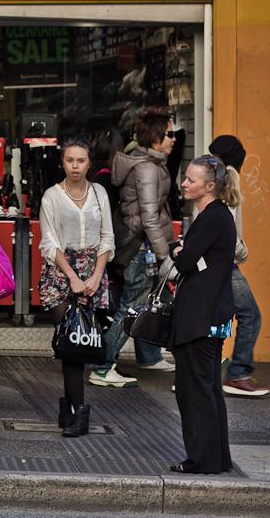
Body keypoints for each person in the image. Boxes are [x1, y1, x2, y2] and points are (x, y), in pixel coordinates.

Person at [91, 107, 176, 387]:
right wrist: (166, 256)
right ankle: (103, 365)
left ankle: (149, 355)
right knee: (130, 309)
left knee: (152, 304)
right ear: (156, 137)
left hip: (145, 248)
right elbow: (150, 216)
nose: (174, 139)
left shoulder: (149, 164)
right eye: (170, 134)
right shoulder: (147, 168)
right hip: (143, 250)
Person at [38, 139, 114, 436]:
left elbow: (107, 237)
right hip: (60, 272)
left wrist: (96, 276)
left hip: (93, 270)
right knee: (72, 343)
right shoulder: (51, 197)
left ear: (89, 163)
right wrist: (72, 276)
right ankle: (79, 414)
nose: (74, 166)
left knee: (82, 342)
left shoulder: (99, 194)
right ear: (62, 162)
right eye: (69, 160)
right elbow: (49, 242)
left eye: (80, 160)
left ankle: (68, 409)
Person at [168, 154, 236, 474]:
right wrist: (185, 252)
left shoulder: (211, 218)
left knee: (194, 390)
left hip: (200, 318)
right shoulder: (218, 216)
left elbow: (183, 262)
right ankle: (217, 457)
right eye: (185, 177)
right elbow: (193, 258)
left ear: (210, 186)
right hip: (209, 315)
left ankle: (201, 459)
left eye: (191, 180)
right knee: (208, 389)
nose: (184, 183)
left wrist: (179, 250)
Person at [209, 135, 268, 397]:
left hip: (214, 262)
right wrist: (241, 250)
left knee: (213, 317)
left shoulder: (211, 173)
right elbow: (227, 224)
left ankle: (200, 372)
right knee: (250, 316)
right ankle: (238, 373)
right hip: (226, 264)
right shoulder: (229, 174)